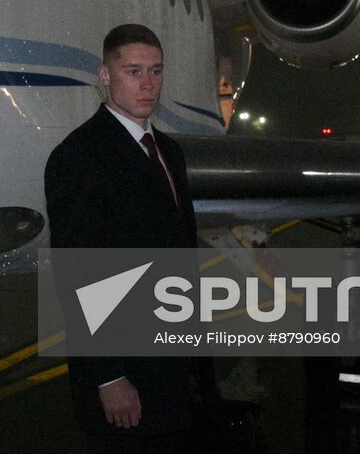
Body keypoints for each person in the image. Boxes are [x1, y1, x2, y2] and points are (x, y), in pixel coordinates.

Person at [45, 24, 210, 452]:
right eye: (133, 71)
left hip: (177, 367)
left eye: (155, 71)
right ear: (105, 75)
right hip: (127, 377)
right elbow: (78, 274)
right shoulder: (79, 156)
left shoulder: (168, 151)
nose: (147, 84)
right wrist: (109, 375)